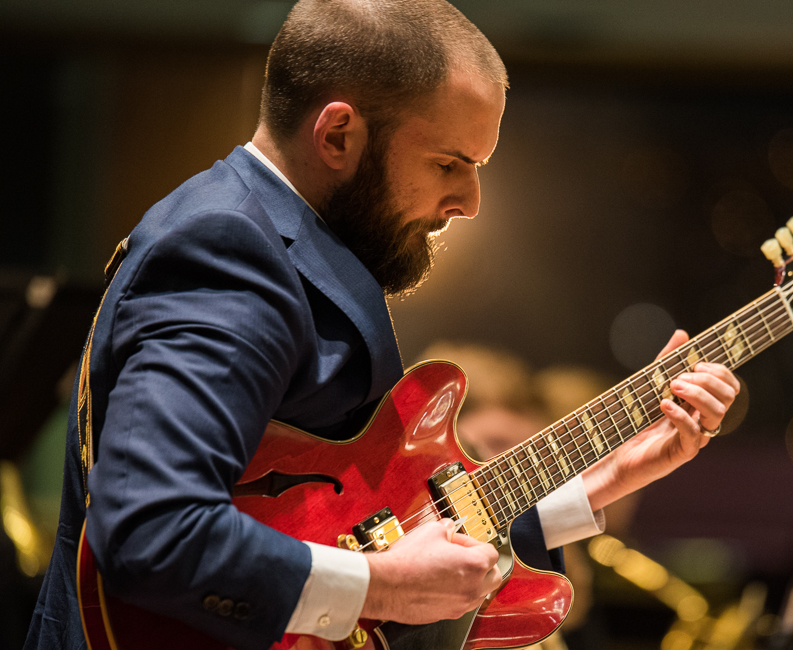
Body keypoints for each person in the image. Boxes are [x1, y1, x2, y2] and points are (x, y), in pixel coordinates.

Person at [24, 1, 740, 649]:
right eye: (450, 163)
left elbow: (358, 521)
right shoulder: (230, 251)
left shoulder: (263, 238)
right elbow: (151, 532)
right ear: (338, 132)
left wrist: (606, 477)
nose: (470, 201)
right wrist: (385, 587)